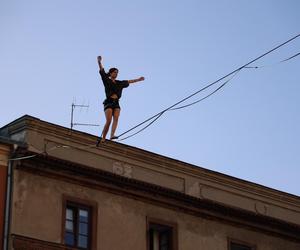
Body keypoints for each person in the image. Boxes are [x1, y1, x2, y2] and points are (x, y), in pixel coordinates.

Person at [97, 56, 145, 145]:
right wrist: (99, 61)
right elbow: (102, 71)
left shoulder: (120, 83)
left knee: (116, 118)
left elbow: (129, 81)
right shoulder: (106, 80)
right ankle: (103, 138)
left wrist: (139, 79)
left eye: (117, 73)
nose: (116, 74)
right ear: (111, 73)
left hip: (116, 102)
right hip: (109, 101)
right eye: (115, 72)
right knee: (108, 120)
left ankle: (112, 135)